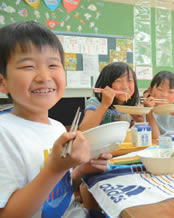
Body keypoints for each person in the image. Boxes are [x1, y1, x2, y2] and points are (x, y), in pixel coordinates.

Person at [0, 21, 111, 217]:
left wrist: (81, 170)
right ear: (3, 82)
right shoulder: (4, 133)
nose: (44, 76)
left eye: (53, 65)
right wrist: (53, 168)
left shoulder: (57, 127)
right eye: (28, 66)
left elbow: (60, 191)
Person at [79, 62, 142, 131]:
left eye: (129, 80)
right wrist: (104, 104)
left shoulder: (133, 105)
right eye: (118, 81)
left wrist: (139, 121)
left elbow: (133, 132)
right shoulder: (95, 102)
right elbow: (83, 130)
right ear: (106, 84)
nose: (125, 87)